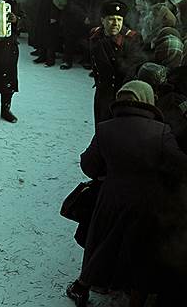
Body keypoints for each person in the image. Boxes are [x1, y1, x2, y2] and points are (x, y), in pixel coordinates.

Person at [66, 81, 187, 307]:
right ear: (147, 100)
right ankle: (136, 299)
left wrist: (109, 172)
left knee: (102, 243)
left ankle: (82, 287)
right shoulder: (161, 132)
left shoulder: (105, 128)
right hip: (148, 201)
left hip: (110, 198)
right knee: (140, 252)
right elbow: (180, 165)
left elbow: (89, 165)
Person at [89, 0, 143, 124]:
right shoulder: (95, 35)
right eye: (111, 19)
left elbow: (130, 70)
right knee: (100, 126)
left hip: (121, 95)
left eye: (119, 19)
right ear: (102, 20)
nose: (115, 23)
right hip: (102, 92)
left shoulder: (131, 39)